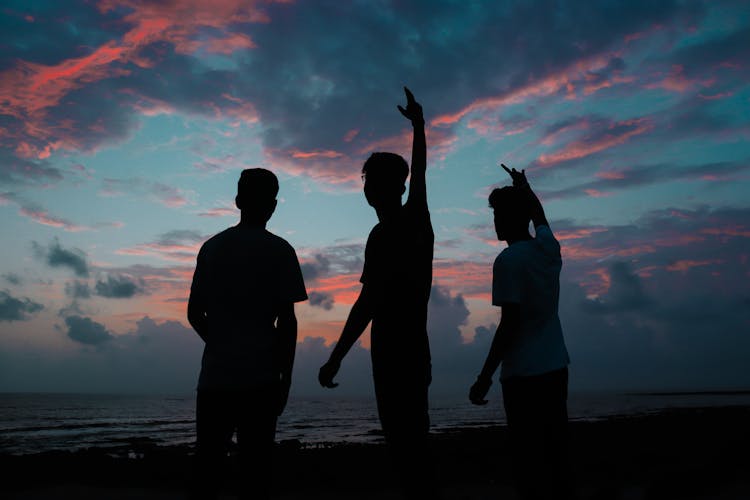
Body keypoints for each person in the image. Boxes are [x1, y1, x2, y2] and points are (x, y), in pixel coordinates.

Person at [318, 87, 435, 497]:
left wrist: (335, 357)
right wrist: (418, 126)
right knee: (408, 445)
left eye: (370, 180)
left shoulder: (409, 223)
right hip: (403, 351)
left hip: (399, 353)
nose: (368, 187)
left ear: (379, 189)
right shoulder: (388, 230)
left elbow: (367, 303)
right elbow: (417, 174)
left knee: (407, 448)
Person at [187, 168, 308, 499]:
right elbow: (288, 321)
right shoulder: (281, 250)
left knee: (208, 467)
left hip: (216, 378)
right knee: (256, 471)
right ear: (273, 205)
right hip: (262, 378)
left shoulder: (212, 248)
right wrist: (286, 377)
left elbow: (194, 313)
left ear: (238, 201)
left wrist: (223, 342)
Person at [469, 164, 572, 500]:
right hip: (555, 368)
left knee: (529, 461)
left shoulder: (509, 261)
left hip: (524, 376)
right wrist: (525, 188)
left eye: (499, 213)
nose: (495, 221)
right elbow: (540, 217)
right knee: (555, 453)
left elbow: (509, 323)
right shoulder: (548, 249)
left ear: (513, 217)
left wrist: (484, 375)